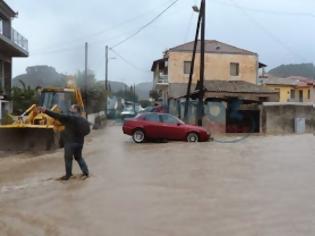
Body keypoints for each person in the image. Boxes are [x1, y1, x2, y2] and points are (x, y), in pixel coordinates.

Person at [39, 104, 90, 181]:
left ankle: (68, 175)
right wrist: (80, 135)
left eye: (71, 108)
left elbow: (57, 115)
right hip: (79, 143)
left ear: (76, 109)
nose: (70, 109)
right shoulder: (83, 119)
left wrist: (45, 110)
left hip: (70, 143)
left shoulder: (70, 117)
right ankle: (86, 173)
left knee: (68, 158)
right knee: (79, 157)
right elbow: (88, 131)